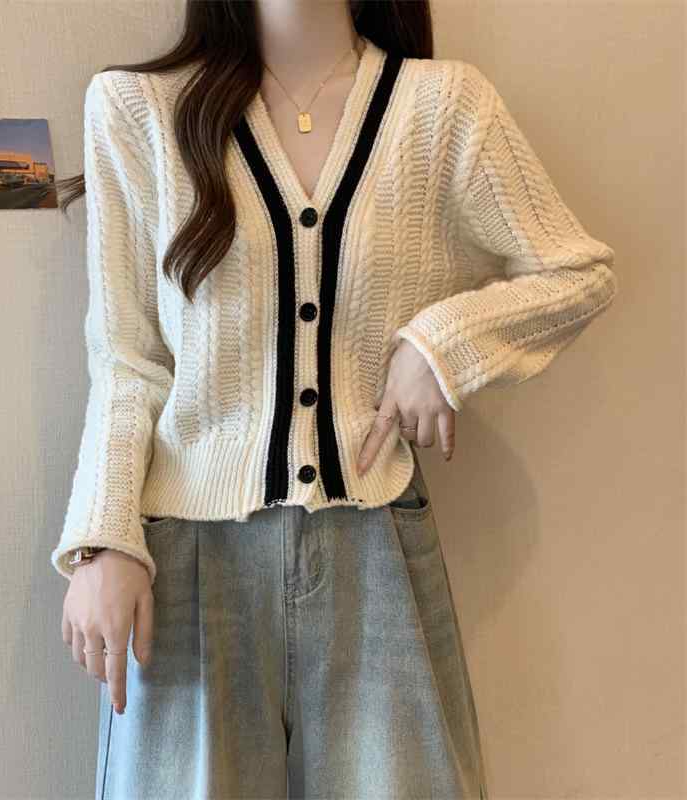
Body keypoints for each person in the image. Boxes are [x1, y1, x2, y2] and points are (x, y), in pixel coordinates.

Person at [51, 1, 618, 798]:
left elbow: (577, 272)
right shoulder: (136, 109)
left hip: (375, 548)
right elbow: (127, 358)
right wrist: (104, 540)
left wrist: (441, 345)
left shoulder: (443, 107)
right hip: (188, 563)